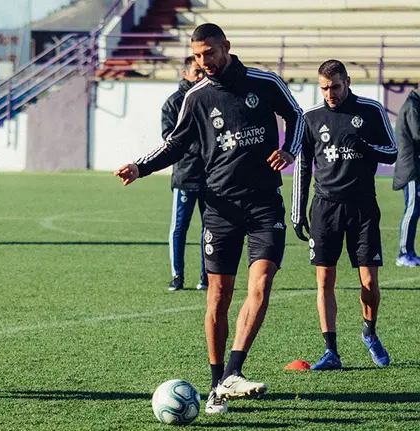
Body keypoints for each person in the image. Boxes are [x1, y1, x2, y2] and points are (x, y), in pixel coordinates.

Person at [114, 23, 303, 414]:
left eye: (210, 54)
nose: (204, 63)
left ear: (226, 48)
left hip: (264, 204)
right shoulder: (196, 97)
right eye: (198, 56)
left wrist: (289, 151)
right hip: (219, 207)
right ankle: (218, 384)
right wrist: (139, 166)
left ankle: (233, 371)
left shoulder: (265, 83)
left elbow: (297, 118)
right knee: (218, 296)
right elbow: (175, 143)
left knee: (262, 283)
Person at [291, 60, 396, 371]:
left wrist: (366, 148)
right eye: (324, 88)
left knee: (369, 280)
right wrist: (298, 212)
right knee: (324, 279)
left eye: (335, 86)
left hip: (363, 207)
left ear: (347, 82)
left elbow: (392, 151)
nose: (330, 93)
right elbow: (303, 167)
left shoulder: (371, 110)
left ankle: (369, 330)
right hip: (325, 207)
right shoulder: (310, 118)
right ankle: (331, 350)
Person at [162, 56, 206, 291]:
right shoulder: (174, 103)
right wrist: (199, 148)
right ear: (185, 73)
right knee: (180, 227)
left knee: (210, 228)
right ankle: (177, 275)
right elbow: (169, 139)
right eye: (196, 72)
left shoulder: (211, 97)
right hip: (186, 175)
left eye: (202, 72)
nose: (200, 76)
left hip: (211, 175)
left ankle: (206, 276)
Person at [392, 86, 420, 267]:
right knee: (412, 209)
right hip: (410, 168)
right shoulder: (412, 106)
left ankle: (409, 251)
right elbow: (418, 134)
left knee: (415, 209)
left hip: (414, 166)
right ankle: (403, 253)